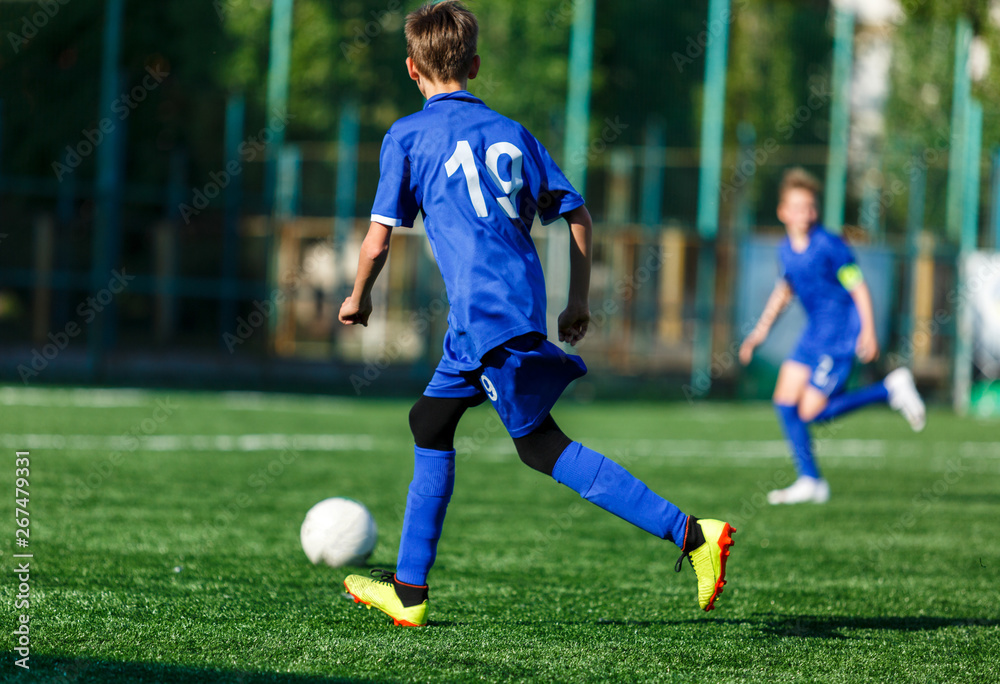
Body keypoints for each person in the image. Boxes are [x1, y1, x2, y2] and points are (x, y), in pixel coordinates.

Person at [338, 1, 735, 627]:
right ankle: (408, 592)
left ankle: (692, 534)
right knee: (429, 422)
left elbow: (379, 237)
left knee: (541, 446)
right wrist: (577, 300)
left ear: (411, 69)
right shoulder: (512, 131)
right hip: (502, 313)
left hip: (483, 316)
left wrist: (357, 297)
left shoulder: (407, 136)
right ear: (474, 63)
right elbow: (576, 213)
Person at [739, 168, 926, 505]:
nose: (804, 214)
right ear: (782, 212)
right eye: (796, 207)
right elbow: (784, 292)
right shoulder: (785, 250)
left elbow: (858, 285)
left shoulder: (828, 244)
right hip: (813, 336)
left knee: (811, 411)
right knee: (784, 402)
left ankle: (889, 389)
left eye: (809, 207)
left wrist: (868, 329)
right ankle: (810, 481)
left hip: (839, 336)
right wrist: (758, 334)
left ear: (816, 210)